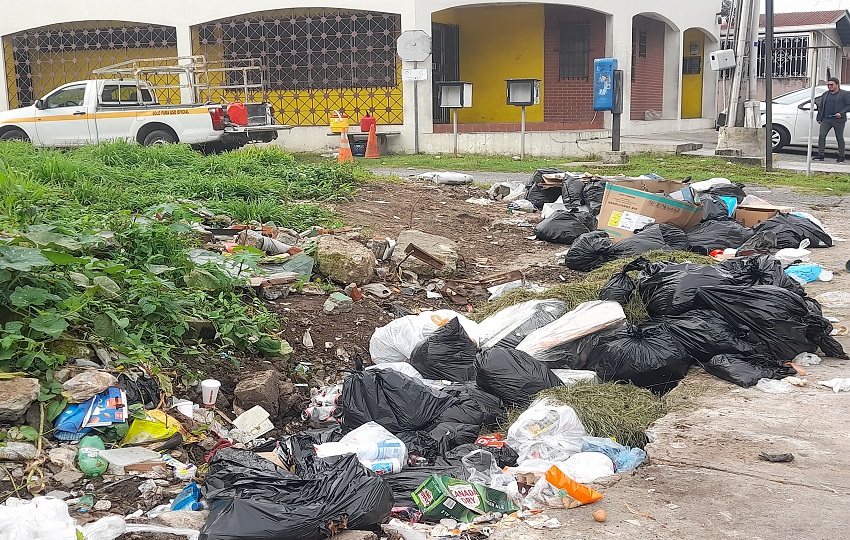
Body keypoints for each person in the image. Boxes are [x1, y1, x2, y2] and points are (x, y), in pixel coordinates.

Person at [816, 77, 850, 162]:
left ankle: (841, 155)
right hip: (826, 119)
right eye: (828, 85)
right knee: (822, 136)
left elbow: (848, 105)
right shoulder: (825, 94)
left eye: (831, 85)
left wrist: (841, 113)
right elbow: (821, 106)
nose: (829, 86)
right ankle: (821, 154)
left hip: (838, 120)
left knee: (839, 137)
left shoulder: (844, 94)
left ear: (837, 85)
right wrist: (819, 117)